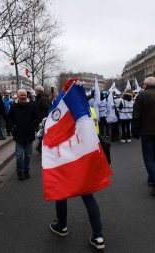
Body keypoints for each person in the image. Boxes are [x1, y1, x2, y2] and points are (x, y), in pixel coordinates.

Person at [49, 80, 107, 250]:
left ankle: (62, 226)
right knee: (88, 196)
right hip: (83, 157)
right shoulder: (86, 110)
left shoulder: (59, 111)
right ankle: (98, 236)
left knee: (61, 193)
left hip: (64, 158)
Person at [8, 89, 38, 181]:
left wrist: (33, 126)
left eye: (24, 95)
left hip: (29, 134)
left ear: (27, 96)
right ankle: (19, 171)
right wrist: (12, 127)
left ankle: (26, 170)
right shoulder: (13, 107)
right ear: (18, 96)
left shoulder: (32, 106)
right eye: (21, 95)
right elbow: (9, 119)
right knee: (19, 155)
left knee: (28, 155)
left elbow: (37, 118)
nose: (23, 97)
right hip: (18, 134)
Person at [34, 85, 52, 153]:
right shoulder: (41, 98)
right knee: (41, 135)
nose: (35, 92)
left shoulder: (43, 99)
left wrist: (46, 118)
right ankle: (41, 147)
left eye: (35, 91)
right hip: (41, 119)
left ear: (38, 91)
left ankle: (42, 147)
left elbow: (48, 109)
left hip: (43, 120)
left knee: (41, 135)